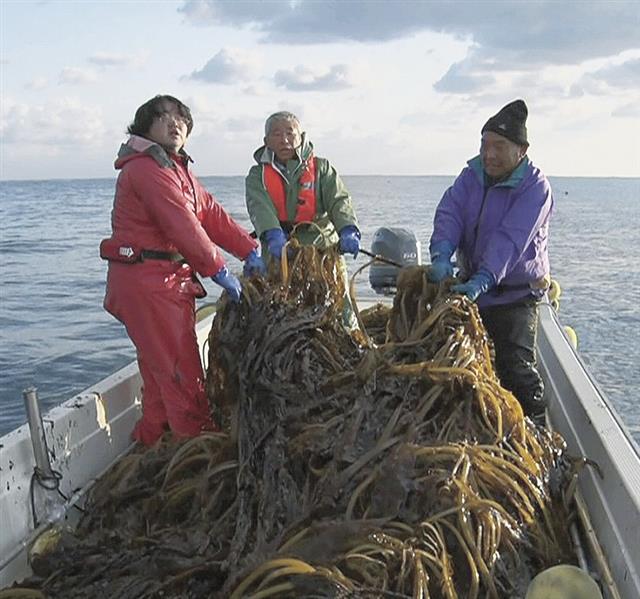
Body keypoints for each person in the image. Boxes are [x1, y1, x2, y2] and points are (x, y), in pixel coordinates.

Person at [100, 94, 265, 446]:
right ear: (145, 127)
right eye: (163, 117)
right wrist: (219, 270)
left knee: (159, 371)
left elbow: (211, 214)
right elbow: (182, 224)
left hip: (163, 282)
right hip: (149, 282)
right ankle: (195, 449)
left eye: (180, 118)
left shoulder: (177, 168)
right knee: (181, 373)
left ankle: (152, 440)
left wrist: (249, 250)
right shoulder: (146, 169)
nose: (174, 123)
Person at [428, 100, 553, 423]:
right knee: (450, 361)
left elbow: (511, 239)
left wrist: (485, 277)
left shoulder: (535, 188)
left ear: (521, 150)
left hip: (515, 296)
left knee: (516, 370)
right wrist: (441, 252)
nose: (489, 154)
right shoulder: (471, 176)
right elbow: (450, 213)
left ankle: (537, 430)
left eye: (499, 146)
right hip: (472, 288)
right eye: (485, 145)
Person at [245, 111, 361, 324]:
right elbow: (259, 208)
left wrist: (348, 229)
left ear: (301, 137)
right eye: (277, 134)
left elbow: (339, 200)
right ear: (266, 141)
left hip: (322, 248)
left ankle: (349, 332)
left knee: (339, 306)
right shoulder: (257, 176)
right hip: (280, 251)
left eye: (290, 133)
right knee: (280, 312)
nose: (284, 140)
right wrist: (272, 234)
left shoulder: (322, 168)